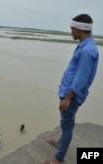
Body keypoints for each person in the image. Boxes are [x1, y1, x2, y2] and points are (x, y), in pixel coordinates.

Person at [41, 13, 99, 164]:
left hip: (70, 96)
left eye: (72, 29)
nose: (71, 32)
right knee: (67, 122)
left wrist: (68, 98)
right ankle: (60, 143)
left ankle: (58, 158)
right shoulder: (86, 46)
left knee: (67, 127)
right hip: (70, 94)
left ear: (79, 29)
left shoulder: (86, 51)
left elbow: (81, 79)